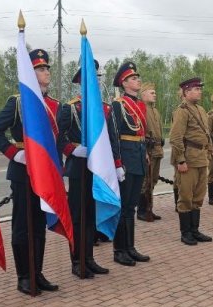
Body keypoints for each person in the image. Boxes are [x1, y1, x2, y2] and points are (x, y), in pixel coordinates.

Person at [0, 49, 60, 295]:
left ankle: (37, 272)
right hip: (23, 171)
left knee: (39, 223)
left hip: (47, 172)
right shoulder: (18, 102)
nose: (46, 72)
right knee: (22, 225)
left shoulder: (54, 105)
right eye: (40, 69)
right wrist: (14, 153)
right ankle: (24, 276)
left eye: (47, 68)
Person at [57, 60, 118, 278]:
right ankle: (77, 260)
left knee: (91, 215)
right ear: (82, 83)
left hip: (99, 170)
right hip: (78, 168)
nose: (96, 82)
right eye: (91, 79)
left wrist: (118, 166)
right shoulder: (71, 107)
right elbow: (58, 137)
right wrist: (72, 150)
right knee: (78, 216)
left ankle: (89, 258)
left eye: (97, 78)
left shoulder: (105, 108)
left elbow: (112, 140)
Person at [110, 62, 150, 266]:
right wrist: (117, 163)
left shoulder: (140, 104)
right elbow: (114, 135)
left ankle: (130, 247)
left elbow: (141, 133)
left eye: (137, 78)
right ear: (124, 83)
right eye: (133, 78)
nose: (138, 80)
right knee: (123, 205)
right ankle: (119, 250)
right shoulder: (118, 104)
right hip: (126, 159)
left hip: (138, 157)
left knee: (131, 206)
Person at [169, 78, 213, 245]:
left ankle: (195, 230)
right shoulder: (182, 111)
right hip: (188, 158)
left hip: (201, 158)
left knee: (198, 197)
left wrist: (209, 151)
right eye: (196, 89)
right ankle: (185, 233)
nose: (199, 91)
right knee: (186, 197)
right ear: (186, 92)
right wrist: (180, 160)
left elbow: (206, 133)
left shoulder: (200, 109)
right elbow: (175, 137)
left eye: (199, 89)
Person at [137, 82, 163, 221]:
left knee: (152, 180)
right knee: (145, 182)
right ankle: (142, 211)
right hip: (148, 150)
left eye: (155, 92)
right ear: (144, 94)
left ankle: (149, 208)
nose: (155, 95)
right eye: (151, 92)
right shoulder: (141, 109)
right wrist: (144, 151)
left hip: (157, 150)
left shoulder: (155, 111)